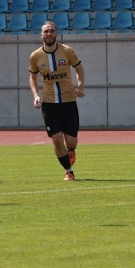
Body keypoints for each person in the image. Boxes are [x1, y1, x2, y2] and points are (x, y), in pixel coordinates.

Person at [28, 20, 85, 181]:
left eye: (51, 31)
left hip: (68, 101)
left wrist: (80, 87)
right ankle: (69, 171)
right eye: (46, 31)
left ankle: (71, 150)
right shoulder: (35, 56)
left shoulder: (67, 51)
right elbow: (32, 77)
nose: (49, 34)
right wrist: (36, 95)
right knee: (57, 139)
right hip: (49, 104)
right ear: (41, 35)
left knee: (71, 140)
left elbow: (79, 69)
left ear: (56, 33)